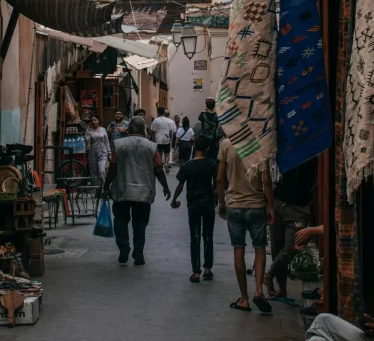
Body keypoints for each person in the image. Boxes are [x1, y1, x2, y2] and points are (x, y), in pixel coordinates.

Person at [103, 116, 171, 266]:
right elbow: (158, 169)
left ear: (130, 129)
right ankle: (138, 253)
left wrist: (106, 187)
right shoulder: (151, 146)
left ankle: (124, 248)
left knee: (120, 220)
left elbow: (112, 168)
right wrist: (166, 187)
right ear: (142, 130)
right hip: (143, 192)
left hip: (122, 190)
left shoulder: (118, 144)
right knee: (140, 224)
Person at [217, 138, 274, 313]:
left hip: (234, 205)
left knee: (238, 250)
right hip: (256, 205)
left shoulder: (226, 145)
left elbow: (220, 179)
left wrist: (221, 202)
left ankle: (244, 298)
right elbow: (266, 181)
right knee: (259, 248)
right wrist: (270, 206)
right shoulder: (259, 142)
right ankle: (258, 290)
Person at [264, 157, 318, 300]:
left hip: (299, 206)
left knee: (290, 248)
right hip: (280, 201)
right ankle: (282, 289)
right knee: (277, 247)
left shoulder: (312, 154)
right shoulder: (287, 151)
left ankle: (269, 275)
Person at [170, 134, 218, 282]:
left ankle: (196, 271)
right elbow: (217, 184)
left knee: (195, 236)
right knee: (208, 235)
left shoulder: (188, 166)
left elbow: (180, 184)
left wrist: (174, 199)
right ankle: (208, 269)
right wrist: (219, 199)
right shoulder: (212, 164)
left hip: (194, 204)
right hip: (208, 202)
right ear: (207, 148)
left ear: (194, 146)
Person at [85, 116, 109, 184]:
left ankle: (104, 188)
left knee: (102, 170)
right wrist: (88, 131)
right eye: (92, 120)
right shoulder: (90, 130)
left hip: (103, 151)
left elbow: (106, 141)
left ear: (98, 121)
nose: (93, 122)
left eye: (95, 120)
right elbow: (87, 141)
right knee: (94, 171)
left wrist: (109, 152)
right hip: (93, 151)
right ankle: (96, 190)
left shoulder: (103, 129)